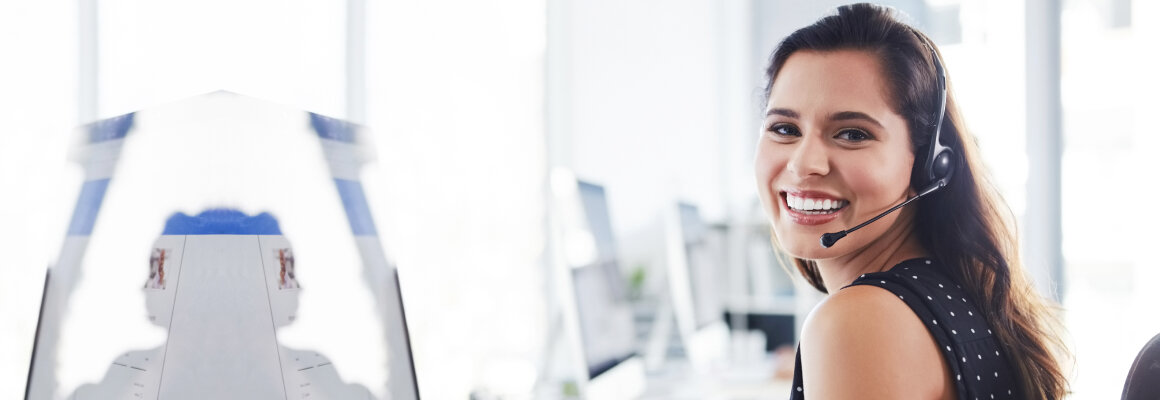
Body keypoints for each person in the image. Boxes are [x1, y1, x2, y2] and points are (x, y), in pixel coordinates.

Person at [754, 4, 1068, 399]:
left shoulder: (858, 323)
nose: (803, 164)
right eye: (784, 129)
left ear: (926, 167)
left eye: (852, 134)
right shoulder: (957, 299)